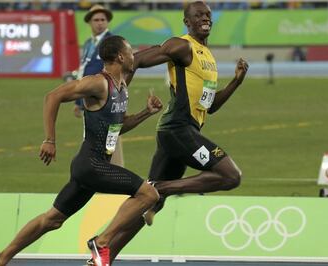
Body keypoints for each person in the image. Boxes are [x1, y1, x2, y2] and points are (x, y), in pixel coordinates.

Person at [0, 35, 163, 266]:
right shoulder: (98, 83)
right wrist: (50, 139)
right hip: (91, 165)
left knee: (52, 219)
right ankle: (102, 242)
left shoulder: (122, 88)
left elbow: (117, 128)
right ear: (120, 56)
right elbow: (53, 96)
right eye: (130, 51)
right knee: (149, 194)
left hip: (92, 167)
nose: (133, 55)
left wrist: (146, 112)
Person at [107, 1, 249, 263]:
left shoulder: (208, 56)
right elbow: (135, 61)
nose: (205, 18)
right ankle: (162, 187)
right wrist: (118, 100)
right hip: (177, 130)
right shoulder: (181, 45)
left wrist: (236, 82)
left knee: (147, 201)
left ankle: (103, 253)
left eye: (207, 14)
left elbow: (209, 106)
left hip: (182, 132)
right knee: (230, 176)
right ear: (187, 22)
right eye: (198, 15)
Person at [73, 4, 125, 167]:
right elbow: (84, 71)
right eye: (96, 20)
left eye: (103, 19)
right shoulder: (89, 43)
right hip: (90, 99)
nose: (100, 23)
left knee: (110, 143)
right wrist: (78, 102)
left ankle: (115, 176)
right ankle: (97, 175)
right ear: (89, 22)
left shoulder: (112, 43)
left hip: (107, 99)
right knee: (92, 141)